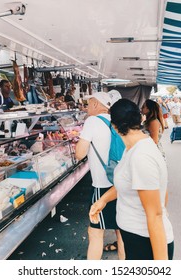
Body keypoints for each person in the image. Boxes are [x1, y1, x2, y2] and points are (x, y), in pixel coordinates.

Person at [89, 99, 174, 260]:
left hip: (146, 243)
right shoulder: (133, 148)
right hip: (136, 239)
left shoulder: (141, 156)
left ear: (114, 127)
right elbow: (128, 181)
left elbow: (155, 215)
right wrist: (103, 200)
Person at [75, 92, 125, 260]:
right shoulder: (116, 120)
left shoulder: (92, 121)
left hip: (103, 185)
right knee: (120, 232)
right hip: (121, 183)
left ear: (96, 104)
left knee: (95, 232)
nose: (86, 107)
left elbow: (79, 154)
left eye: (89, 103)